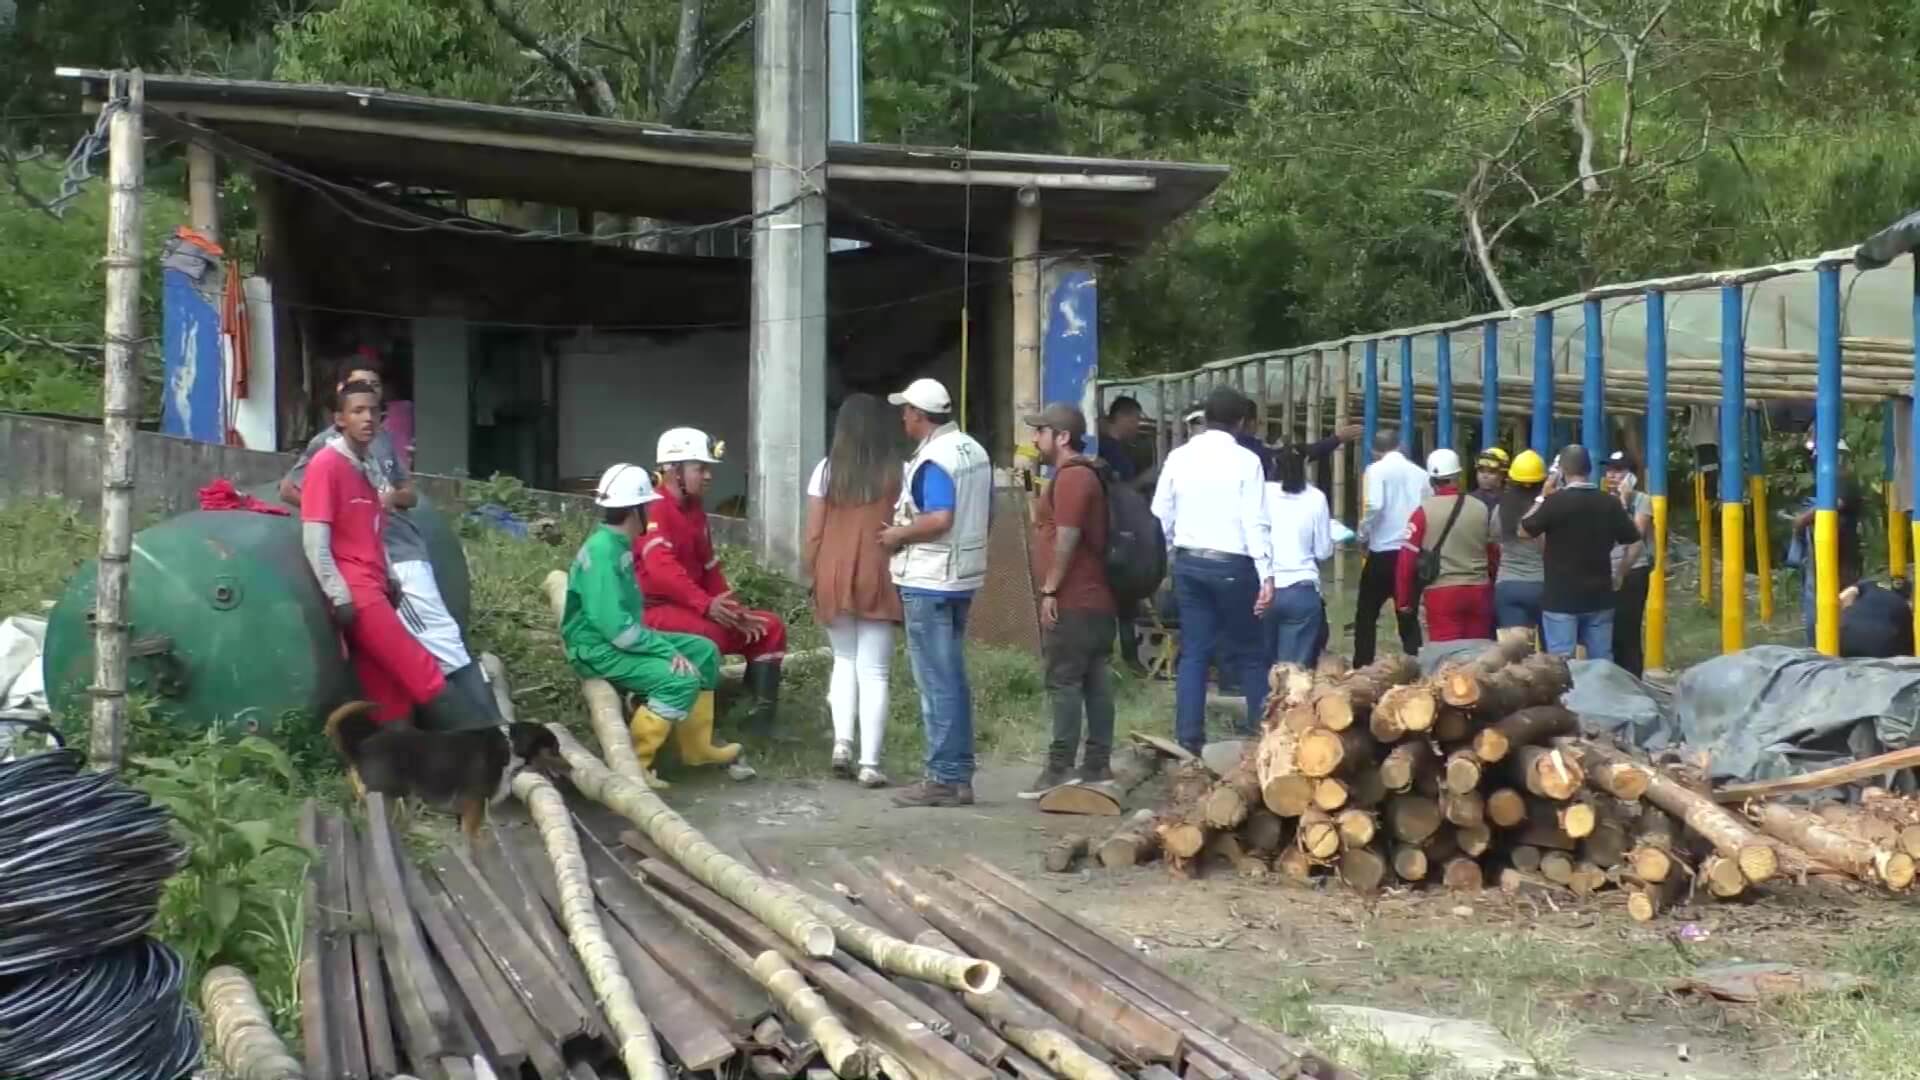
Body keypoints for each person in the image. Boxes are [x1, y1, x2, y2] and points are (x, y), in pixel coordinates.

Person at [282, 356, 499, 719]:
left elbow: (375, 531)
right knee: (423, 673)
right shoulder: (327, 462)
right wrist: (340, 595)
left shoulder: (366, 462)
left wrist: (391, 577)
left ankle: (392, 764)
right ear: (339, 417)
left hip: (380, 581)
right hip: (359, 593)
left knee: (386, 692)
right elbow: (315, 540)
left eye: (374, 409)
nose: (368, 418)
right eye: (358, 410)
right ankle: (494, 742)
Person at [563, 463, 739, 785]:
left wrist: (663, 647)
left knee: (704, 651)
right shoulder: (604, 553)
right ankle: (636, 764)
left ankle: (696, 748)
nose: (653, 509)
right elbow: (616, 629)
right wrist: (663, 650)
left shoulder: (618, 545)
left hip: (623, 638)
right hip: (597, 648)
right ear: (635, 511)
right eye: (648, 505)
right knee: (679, 679)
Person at [881, 378, 992, 808]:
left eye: (906, 410)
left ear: (920, 416)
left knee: (936, 681)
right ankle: (958, 774)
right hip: (964, 575)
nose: (903, 417)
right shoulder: (972, 450)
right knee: (952, 678)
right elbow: (984, 513)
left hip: (929, 578)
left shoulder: (934, 459)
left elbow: (939, 517)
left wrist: (896, 535)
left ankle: (944, 777)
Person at [637, 428, 789, 732]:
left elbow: (710, 568)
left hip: (692, 606)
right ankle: (702, 724)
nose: (708, 476)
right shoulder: (655, 507)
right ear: (673, 469)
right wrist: (707, 606)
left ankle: (757, 721)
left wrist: (734, 611)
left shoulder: (693, 510)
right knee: (711, 637)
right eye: (700, 468)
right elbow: (662, 569)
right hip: (654, 611)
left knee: (768, 628)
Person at [1151, 386, 1273, 755]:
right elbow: (1256, 521)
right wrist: (1267, 575)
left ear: (1206, 417)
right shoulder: (1246, 460)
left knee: (1194, 652)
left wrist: (1172, 554)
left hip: (1190, 563)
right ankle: (1261, 735)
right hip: (1234, 564)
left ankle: (1189, 738)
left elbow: (1160, 513)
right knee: (1251, 652)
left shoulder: (1178, 457)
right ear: (1239, 422)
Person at [803, 394, 903, 788]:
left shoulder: (826, 471)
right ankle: (870, 763)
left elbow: (813, 533)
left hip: (831, 570)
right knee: (875, 671)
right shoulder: (899, 471)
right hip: (878, 571)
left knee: (843, 660)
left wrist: (813, 573)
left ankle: (842, 743)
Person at [1019, 403, 1118, 797]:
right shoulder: (1078, 476)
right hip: (1094, 599)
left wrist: (1050, 589)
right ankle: (1097, 765)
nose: (1034, 439)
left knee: (1063, 681)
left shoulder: (1074, 477)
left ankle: (1060, 768)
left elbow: (1068, 535)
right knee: (1093, 680)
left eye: (1040, 432)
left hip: (1075, 599)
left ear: (1061, 437)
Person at [1520, 445, 1641, 660]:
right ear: (1589, 469)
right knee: (1601, 661)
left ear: (1562, 471)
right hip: (1600, 597)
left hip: (1561, 598)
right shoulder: (1609, 502)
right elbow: (1633, 541)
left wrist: (1542, 496)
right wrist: (1620, 573)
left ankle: (1568, 696)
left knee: (1561, 662)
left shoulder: (1554, 502)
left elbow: (1524, 530)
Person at [1396, 448, 1497, 643]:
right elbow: (1493, 553)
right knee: (1478, 657)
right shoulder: (1481, 508)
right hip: (1479, 592)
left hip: (1442, 594)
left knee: (1446, 659)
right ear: (1458, 476)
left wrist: (1404, 600)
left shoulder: (1422, 512)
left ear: (1431, 480)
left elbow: (1406, 562)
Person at [1353, 428, 1431, 665]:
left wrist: (1363, 533)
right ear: (1401, 446)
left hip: (1382, 551)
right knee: (1407, 610)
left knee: (1366, 614)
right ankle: (1414, 660)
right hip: (1410, 551)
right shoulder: (1421, 474)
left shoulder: (1375, 470)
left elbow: (1374, 505)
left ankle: (1363, 662)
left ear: (1374, 451)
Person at [1262, 444, 1333, 667]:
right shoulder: (1316, 498)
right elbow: (1323, 551)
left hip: (1262, 589)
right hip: (1301, 591)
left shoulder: (1260, 493)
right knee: (1292, 674)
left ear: (1274, 464)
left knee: (1259, 666)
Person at [1791, 436, 1865, 646]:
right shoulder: (1832, 483)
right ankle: (1820, 644)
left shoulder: (1845, 481)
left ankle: (1841, 644)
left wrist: (1802, 519)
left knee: (1842, 599)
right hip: (1825, 554)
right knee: (1819, 600)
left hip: (1843, 555)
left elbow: (1835, 503)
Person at [1605, 451, 1655, 676]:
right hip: (1607, 569)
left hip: (1633, 569)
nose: (1612, 476)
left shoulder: (1641, 500)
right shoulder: (1603, 499)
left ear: (1631, 476)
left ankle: (1634, 678)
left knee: (1629, 629)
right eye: (1610, 470)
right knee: (1609, 630)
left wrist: (1624, 504)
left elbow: (1635, 533)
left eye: (1619, 471)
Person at [1491, 449, 1548, 634]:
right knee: (1551, 658)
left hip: (1508, 584)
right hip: (1543, 585)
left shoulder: (1501, 509)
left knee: (1515, 652)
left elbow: (1494, 540)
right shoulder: (1549, 510)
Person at [1840, 578, 1914, 658]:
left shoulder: (1864, 585)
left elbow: (1842, 599)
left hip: (1844, 646)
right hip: (1888, 655)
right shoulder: (1903, 603)